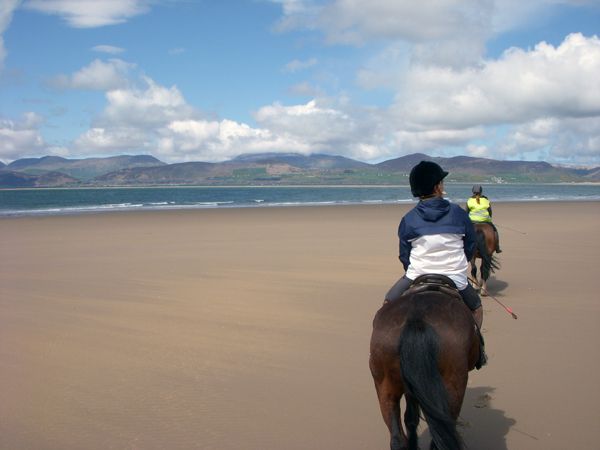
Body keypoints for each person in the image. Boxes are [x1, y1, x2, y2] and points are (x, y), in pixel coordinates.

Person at [384, 161, 487, 366]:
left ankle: (386, 357)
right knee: (476, 307)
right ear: (437, 187)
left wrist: (412, 272)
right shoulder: (458, 213)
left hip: (416, 275)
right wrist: (459, 264)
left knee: (387, 304)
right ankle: (476, 351)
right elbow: (470, 244)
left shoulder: (408, 218)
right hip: (455, 277)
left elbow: (404, 254)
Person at [465, 185, 502, 253]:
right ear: (481, 192)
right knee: (495, 231)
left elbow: (466, 212)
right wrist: (488, 219)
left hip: (473, 221)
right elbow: (490, 212)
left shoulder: (469, 201)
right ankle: (497, 247)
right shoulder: (486, 200)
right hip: (485, 221)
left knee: (465, 233)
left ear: (473, 192)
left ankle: (463, 247)